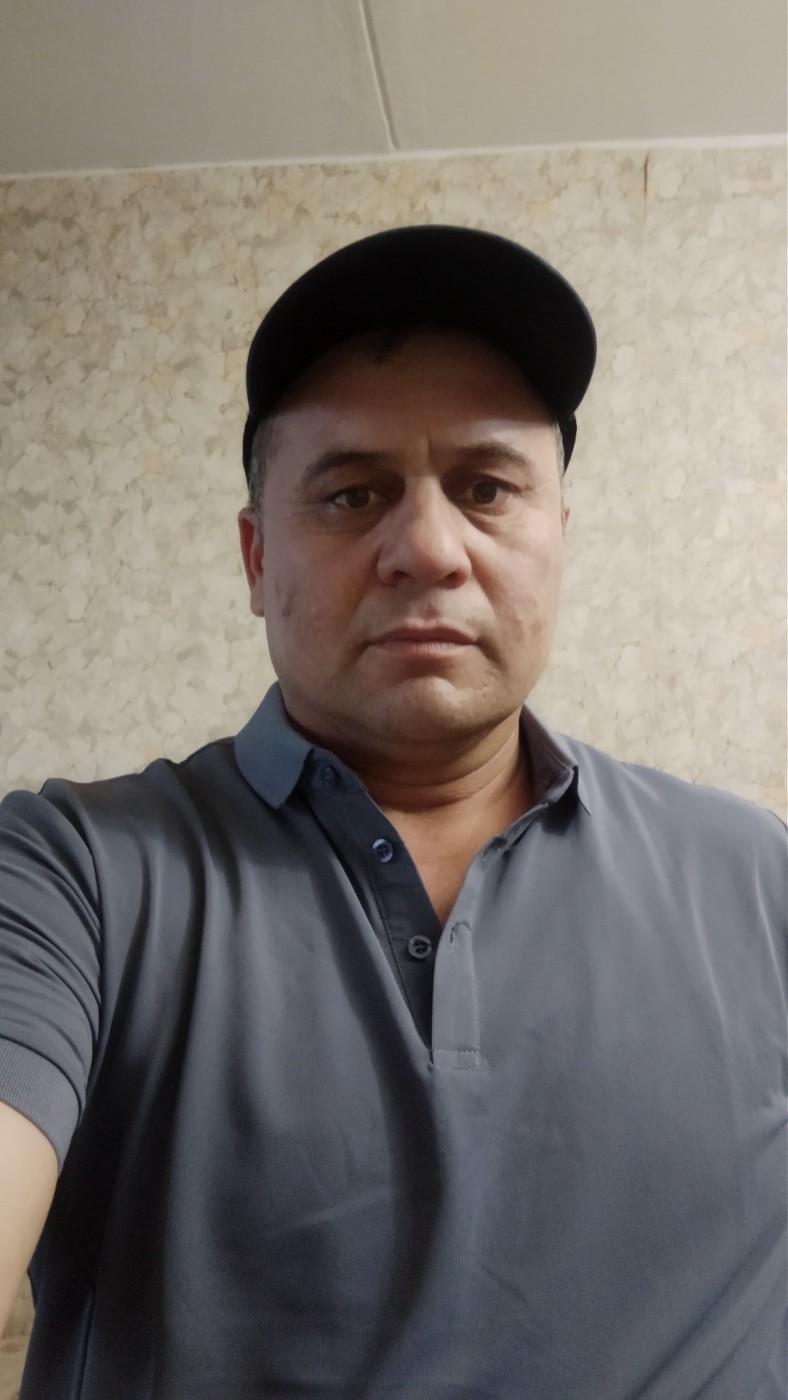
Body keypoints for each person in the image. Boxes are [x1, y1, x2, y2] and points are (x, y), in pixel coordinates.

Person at [0, 225, 785, 1400]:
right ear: (256, 558)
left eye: (485, 488)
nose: (425, 547)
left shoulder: (758, 876)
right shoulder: (73, 875)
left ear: (557, 537)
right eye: (352, 493)